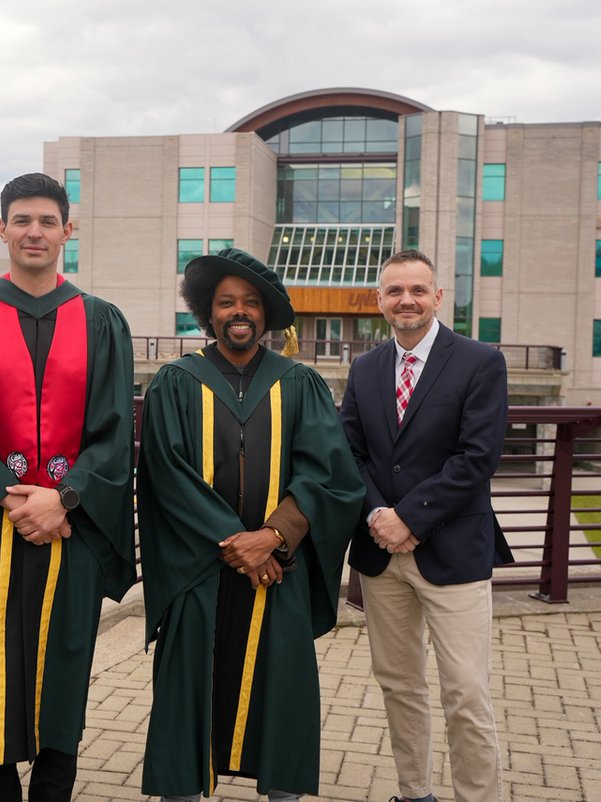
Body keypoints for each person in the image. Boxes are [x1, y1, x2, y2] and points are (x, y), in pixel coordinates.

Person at [0, 173, 136, 802]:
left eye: (47, 221)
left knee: (63, 674)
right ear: (3, 230)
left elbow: (117, 431)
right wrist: (17, 499)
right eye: (21, 220)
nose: (34, 232)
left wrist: (64, 498)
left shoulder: (100, 321)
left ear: (68, 230)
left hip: (72, 532)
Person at [137, 247, 365, 801]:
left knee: (281, 691)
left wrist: (273, 538)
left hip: (276, 571)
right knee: (189, 692)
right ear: (207, 313)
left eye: (250, 303)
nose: (239, 312)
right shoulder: (175, 382)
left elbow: (330, 471)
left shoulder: (300, 383)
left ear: (265, 315)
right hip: (199, 573)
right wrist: (235, 543)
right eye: (225, 303)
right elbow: (166, 474)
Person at [341, 249, 513, 802]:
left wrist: (409, 519)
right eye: (394, 291)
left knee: (465, 691)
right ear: (380, 301)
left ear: (438, 297)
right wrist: (376, 516)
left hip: (454, 551)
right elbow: (350, 453)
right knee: (399, 685)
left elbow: (477, 457)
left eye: (418, 290)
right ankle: (414, 792)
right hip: (381, 554)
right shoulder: (366, 369)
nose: (406, 300)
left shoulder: (480, 361)